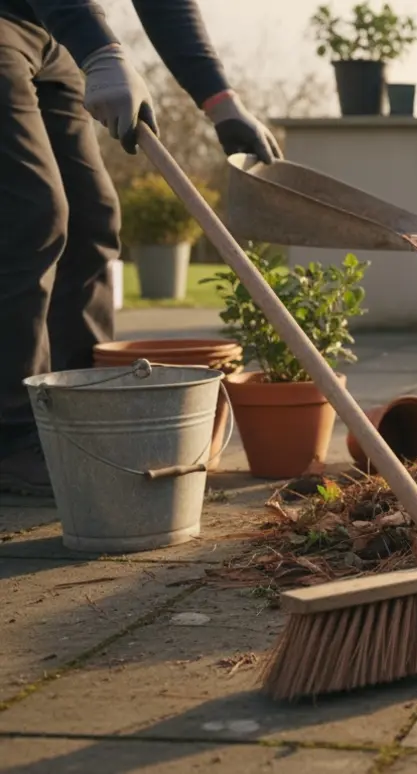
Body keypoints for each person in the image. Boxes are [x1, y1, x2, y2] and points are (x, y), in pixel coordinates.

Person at [0, 0, 280, 498]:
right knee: (31, 217)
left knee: (93, 221)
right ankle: (12, 438)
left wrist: (220, 101)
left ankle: (83, 415)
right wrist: (104, 51)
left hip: (49, 28)